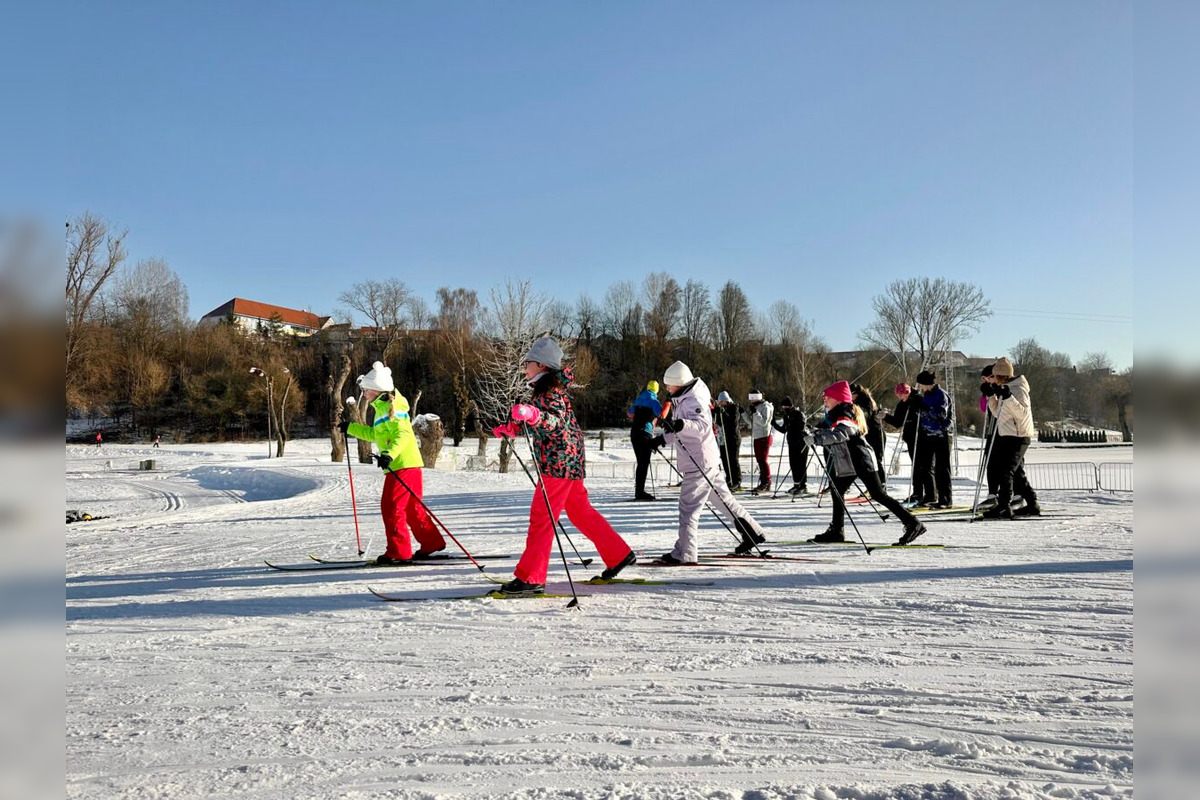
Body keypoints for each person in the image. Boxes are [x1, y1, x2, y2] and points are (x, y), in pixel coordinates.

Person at [494, 337, 636, 595]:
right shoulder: (550, 390)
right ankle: (618, 554)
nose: (524, 367)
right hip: (570, 462)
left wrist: (534, 415)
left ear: (541, 365)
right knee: (580, 512)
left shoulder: (550, 394)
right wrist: (512, 428)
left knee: (542, 518)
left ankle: (531, 577)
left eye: (528, 363)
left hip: (557, 465)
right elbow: (542, 422)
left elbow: (554, 423)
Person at [654, 361, 768, 563]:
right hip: (705, 460)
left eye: (668, 384)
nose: (667, 388)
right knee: (724, 501)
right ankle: (753, 533)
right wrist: (662, 439)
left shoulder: (693, 400)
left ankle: (685, 553)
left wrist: (679, 423)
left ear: (678, 383)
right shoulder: (684, 398)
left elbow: (700, 427)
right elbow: (680, 431)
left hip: (699, 462)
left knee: (688, 508)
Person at [340, 361, 445, 566]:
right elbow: (374, 434)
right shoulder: (381, 408)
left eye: (366, 390)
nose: (364, 393)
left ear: (376, 389)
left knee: (391, 507)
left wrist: (388, 454)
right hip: (408, 463)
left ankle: (399, 551)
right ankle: (431, 542)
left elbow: (403, 434)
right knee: (412, 508)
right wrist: (350, 428)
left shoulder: (392, 406)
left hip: (401, 465)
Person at [807, 381, 926, 545]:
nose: (825, 400)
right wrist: (814, 431)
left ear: (839, 398)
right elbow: (829, 428)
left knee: (878, 494)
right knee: (837, 489)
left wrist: (818, 439)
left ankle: (913, 523)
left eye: (827, 397)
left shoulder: (845, 411)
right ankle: (836, 530)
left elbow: (843, 432)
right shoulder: (835, 412)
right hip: (850, 460)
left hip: (861, 459)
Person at [979, 357, 1041, 519]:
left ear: (1003, 375)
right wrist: (991, 396)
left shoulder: (1019, 389)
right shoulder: (1003, 388)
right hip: (1007, 434)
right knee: (1016, 472)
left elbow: (1021, 413)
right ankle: (1032, 503)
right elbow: (997, 413)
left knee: (1007, 471)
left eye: (995, 376)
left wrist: (1008, 397)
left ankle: (1004, 505)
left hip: (1019, 435)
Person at [913, 370, 953, 508]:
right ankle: (930, 495)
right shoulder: (926, 394)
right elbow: (923, 413)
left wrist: (925, 408)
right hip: (927, 434)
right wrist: (918, 406)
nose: (921, 388)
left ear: (926, 384)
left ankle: (946, 499)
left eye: (921, 385)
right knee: (925, 467)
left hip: (941, 435)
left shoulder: (941, 395)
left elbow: (941, 414)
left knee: (942, 469)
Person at [879, 383, 921, 502]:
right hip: (910, 438)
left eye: (901, 395)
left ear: (907, 392)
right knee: (916, 466)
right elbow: (898, 423)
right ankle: (917, 492)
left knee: (921, 467)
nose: (900, 397)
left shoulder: (917, 400)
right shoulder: (901, 405)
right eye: (898, 395)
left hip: (920, 437)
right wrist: (886, 417)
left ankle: (923, 493)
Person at [627, 380, 663, 500]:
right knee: (644, 462)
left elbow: (630, 413)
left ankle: (639, 490)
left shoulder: (638, 400)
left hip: (634, 433)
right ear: (656, 390)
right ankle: (640, 492)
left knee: (640, 462)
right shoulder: (654, 401)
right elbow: (661, 415)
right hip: (645, 433)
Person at [771, 396, 810, 495]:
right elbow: (784, 430)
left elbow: (801, 428)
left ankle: (803, 485)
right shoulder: (786, 416)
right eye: (783, 407)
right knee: (793, 464)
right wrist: (774, 424)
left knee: (801, 464)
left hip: (801, 442)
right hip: (792, 443)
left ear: (790, 406)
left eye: (785, 406)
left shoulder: (798, 414)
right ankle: (796, 484)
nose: (784, 409)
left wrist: (791, 424)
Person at [850, 383, 887, 489]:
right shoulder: (857, 402)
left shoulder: (865, 402)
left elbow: (866, 414)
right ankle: (874, 486)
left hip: (876, 434)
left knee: (876, 460)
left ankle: (881, 485)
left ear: (855, 394)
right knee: (870, 460)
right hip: (868, 434)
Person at [742, 391, 775, 493]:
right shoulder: (756, 407)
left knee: (763, 460)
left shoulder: (765, 407)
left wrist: (755, 413)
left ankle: (767, 482)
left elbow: (763, 422)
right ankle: (763, 481)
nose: (750, 400)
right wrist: (743, 413)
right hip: (757, 436)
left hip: (764, 436)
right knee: (759, 460)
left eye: (752, 398)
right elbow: (752, 423)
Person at [713, 391, 743, 489]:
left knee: (733, 460)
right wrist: (717, 412)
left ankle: (736, 480)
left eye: (721, 402)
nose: (720, 404)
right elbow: (719, 422)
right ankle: (729, 478)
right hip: (723, 438)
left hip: (733, 438)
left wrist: (723, 413)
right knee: (725, 460)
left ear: (726, 401)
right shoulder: (721, 410)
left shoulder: (734, 408)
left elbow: (732, 422)